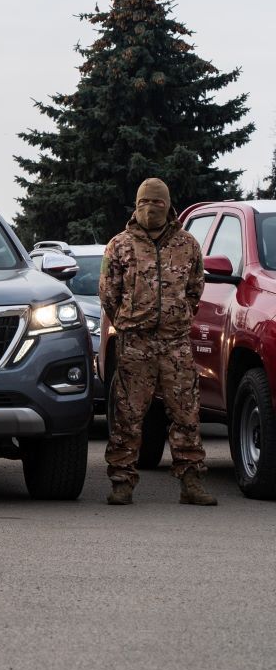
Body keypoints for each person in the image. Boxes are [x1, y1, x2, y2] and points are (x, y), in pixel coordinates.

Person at [99, 177, 216, 506]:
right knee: (127, 414)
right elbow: (108, 293)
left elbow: (195, 289)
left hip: (175, 344)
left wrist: (178, 319)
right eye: (144, 203)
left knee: (186, 413)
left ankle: (191, 481)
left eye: (157, 203)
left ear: (168, 206)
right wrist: (127, 321)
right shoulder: (119, 245)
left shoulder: (188, 245)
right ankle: (122, 482)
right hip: (135, 343)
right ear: (136, 206)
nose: (150, 209)